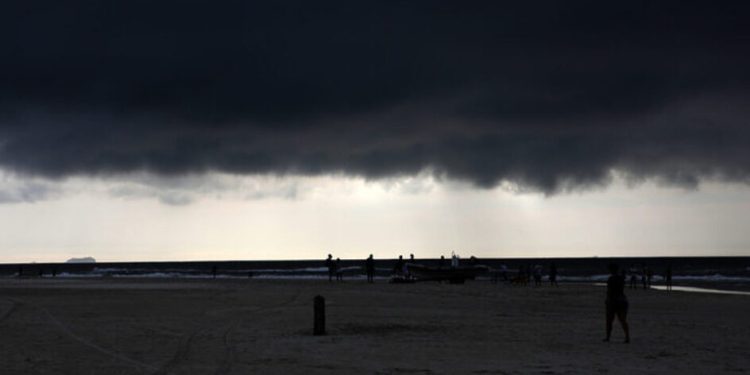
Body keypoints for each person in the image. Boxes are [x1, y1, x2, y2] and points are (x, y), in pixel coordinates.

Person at [604, 264, 630, 343]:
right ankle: (627, 337)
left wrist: (607, 299)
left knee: (609, 320)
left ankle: (608, 337)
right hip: (622, 300)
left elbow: (609, 291)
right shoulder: (621, 278)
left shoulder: (611, 279)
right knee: (622, 320)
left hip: (613, 301)